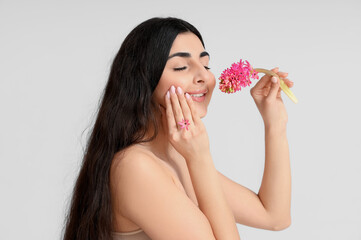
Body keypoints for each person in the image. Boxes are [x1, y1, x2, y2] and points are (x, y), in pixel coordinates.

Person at [62, 17, 293, 240]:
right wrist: (200, 157)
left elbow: (274, 216)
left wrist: (275, 123)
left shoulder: (176, 158)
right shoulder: (135, 167)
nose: (204, 76)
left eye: (206, 64)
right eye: (181, 67)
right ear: (144, 81)